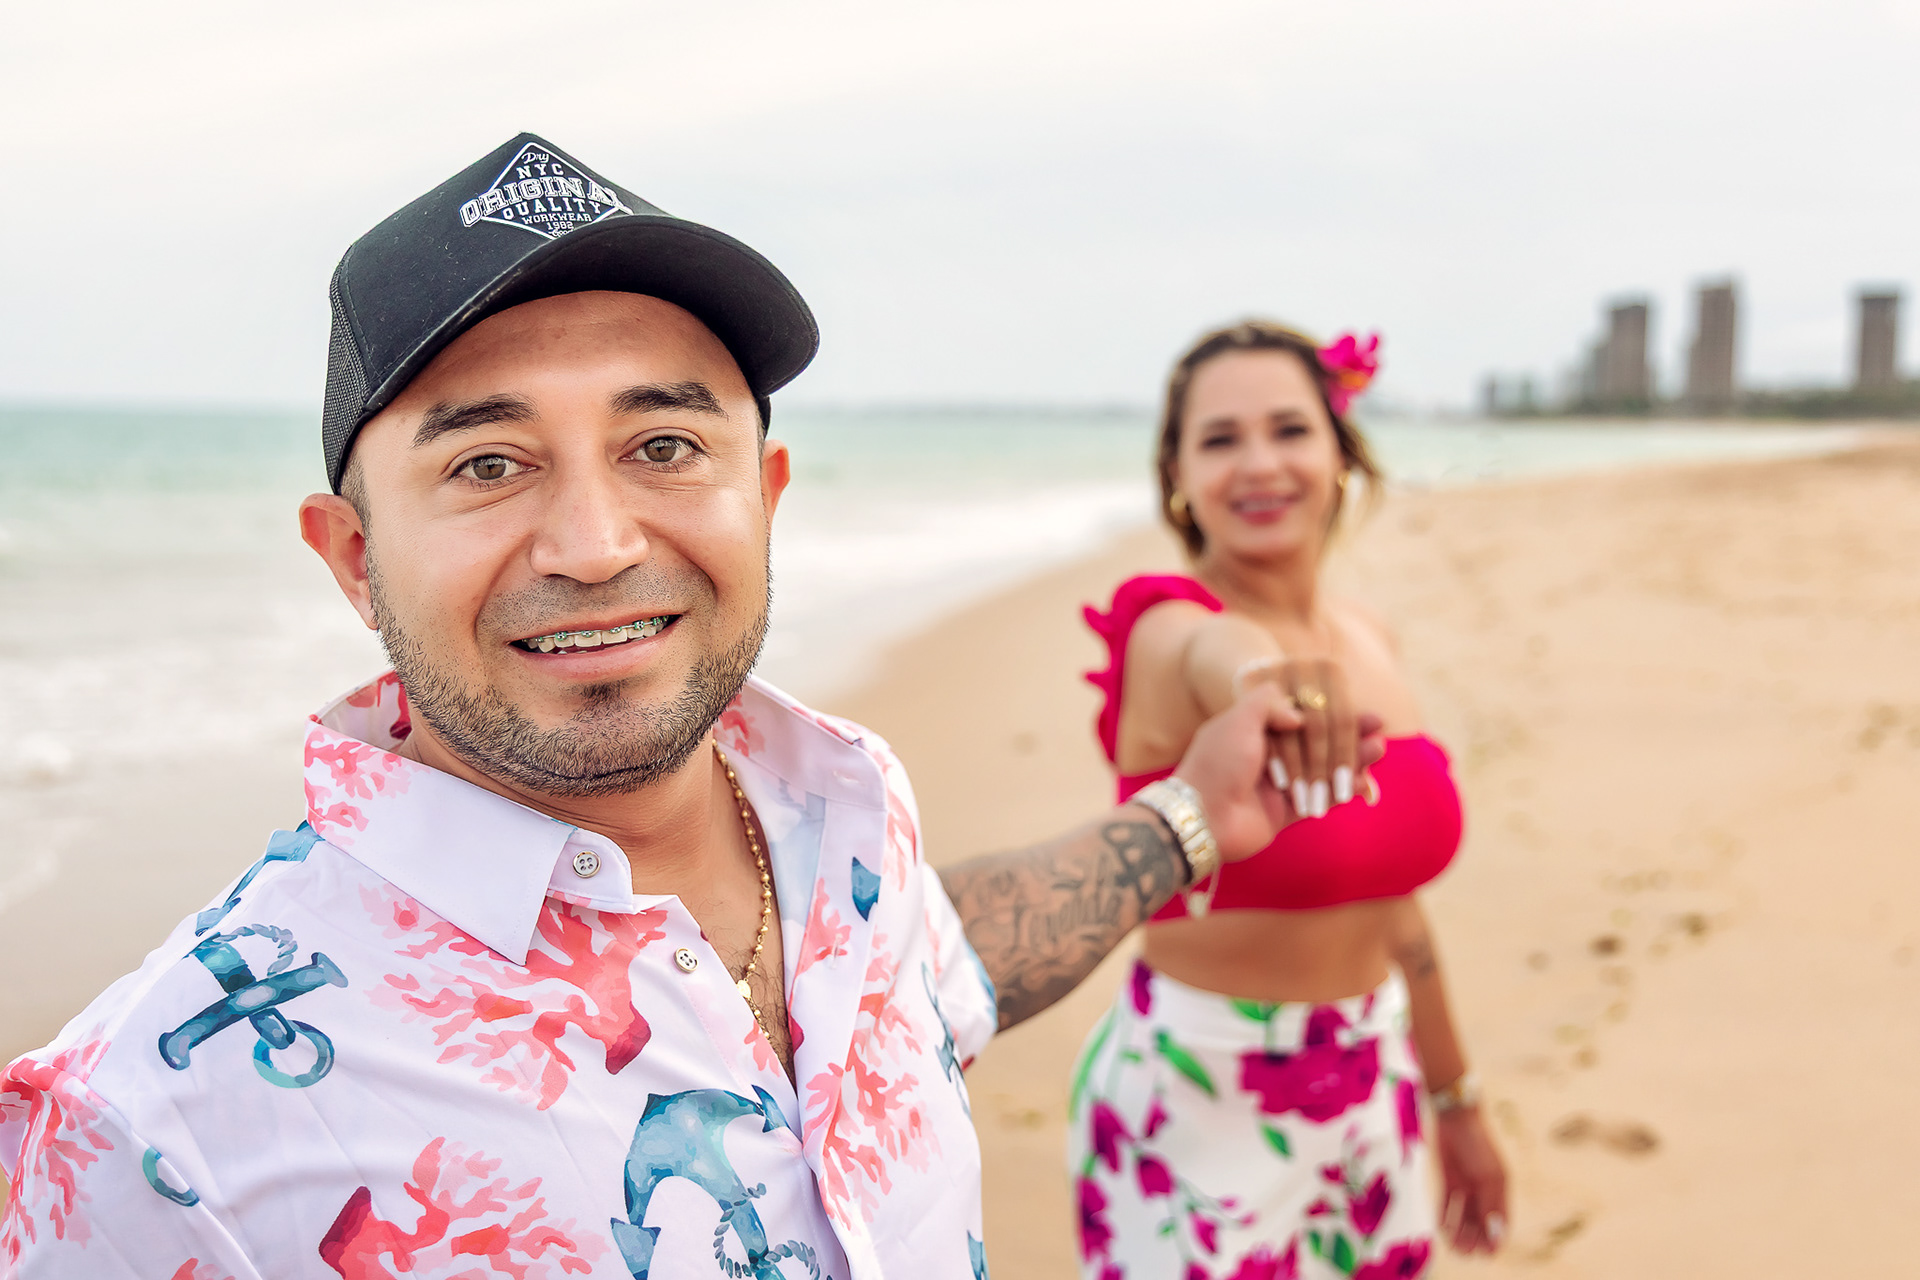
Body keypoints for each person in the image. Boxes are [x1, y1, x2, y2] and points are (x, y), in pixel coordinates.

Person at [0, 138, 1380, 1280]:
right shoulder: (148, 1130)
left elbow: (933, 974)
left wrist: (1195, 815)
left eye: (663, 444)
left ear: (763, 495)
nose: (596, 544)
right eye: (488, 464)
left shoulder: (842, 812)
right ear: (355, 558)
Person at [1069, 322, 1507, 1279]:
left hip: (1374, 1082)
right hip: (1198, 1098)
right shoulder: (1168, 629)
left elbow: (1392, 903)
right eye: (1220, 439)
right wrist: (1261, 675)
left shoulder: (1368, 635)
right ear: (1178, 474)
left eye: (1290, 429)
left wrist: (1455, 1098)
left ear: (1340, 451)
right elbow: (1215, 654)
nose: (1260, 464)